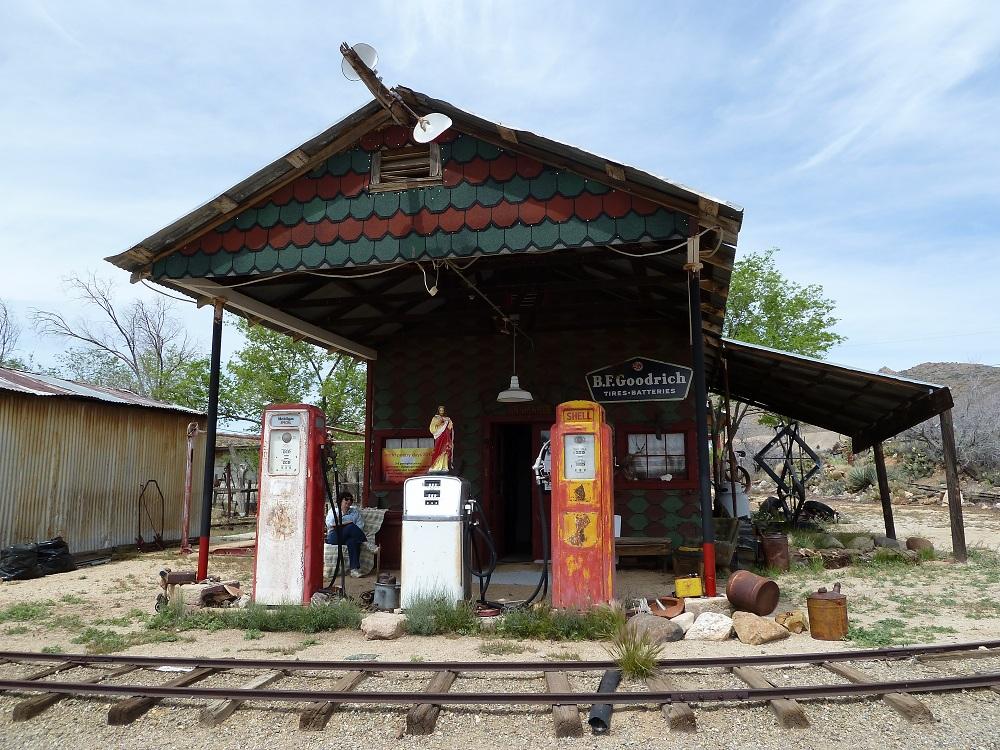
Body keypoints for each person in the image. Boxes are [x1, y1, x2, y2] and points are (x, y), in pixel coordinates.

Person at [326, 491, 366, 577]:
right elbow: (330, 524)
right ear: (340, 501)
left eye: (351, 499)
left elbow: (360, 527)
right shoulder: (333, 511)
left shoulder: (355, 512)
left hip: (349, 536)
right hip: (334, 536)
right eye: (346, 499)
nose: (349, 501)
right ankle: (366, 543)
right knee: (350, 526)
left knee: (353, 541)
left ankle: (354, 570)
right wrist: (342, 515)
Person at [428, 404, 454, 473]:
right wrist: (443, 424)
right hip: (439, 438)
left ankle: (444, 466)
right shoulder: (435, 418)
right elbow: (432, 428)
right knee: (438, 450)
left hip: (446, 437)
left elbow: (449, 428)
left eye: (443, 410)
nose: (441, 411)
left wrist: (449, 422)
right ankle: (436, 466)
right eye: (440, 410)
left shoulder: (447, 418)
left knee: (445, 451)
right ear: (438, 411)